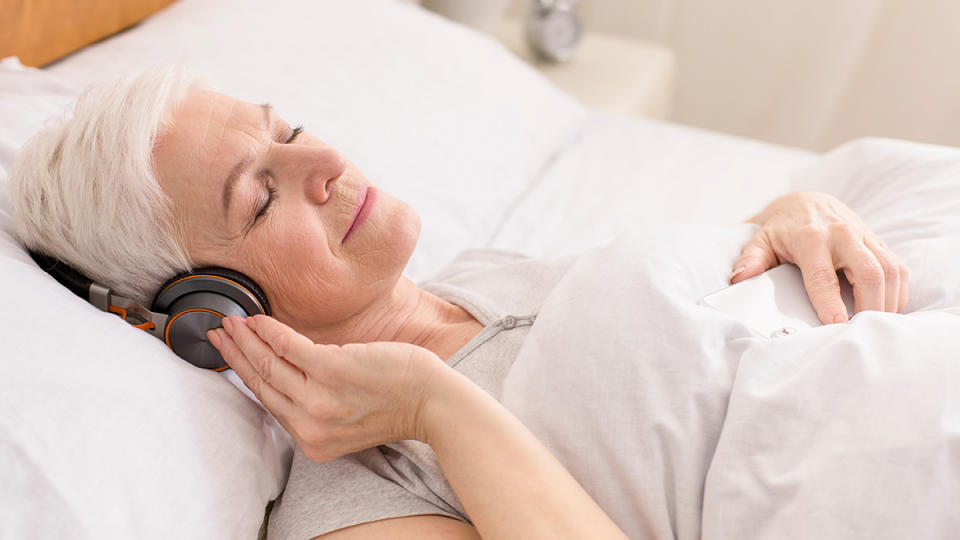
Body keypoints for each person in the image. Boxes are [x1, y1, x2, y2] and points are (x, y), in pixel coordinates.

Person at [7, 67, 909, 539]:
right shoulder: (352, 500)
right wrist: (432, 405)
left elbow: (702, 327)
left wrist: (792, 216)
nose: (322, 164)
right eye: (261, 195)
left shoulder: (481, 275)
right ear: (213, 312)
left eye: (286, 131)